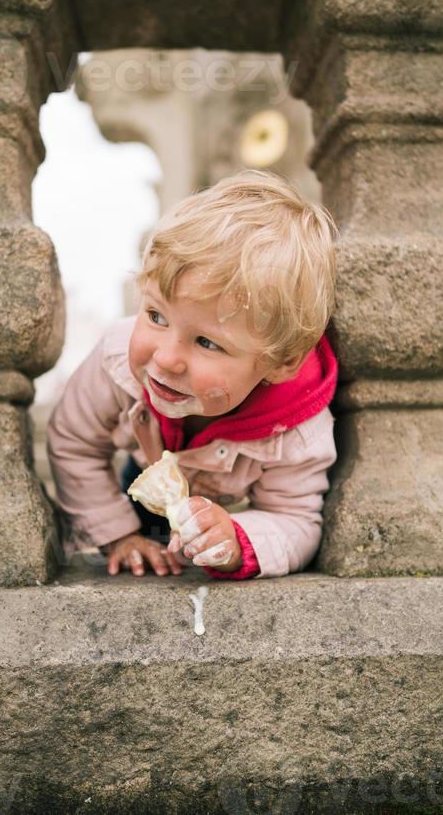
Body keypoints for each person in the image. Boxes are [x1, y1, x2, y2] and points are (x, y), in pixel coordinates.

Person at [47, 170, 338, 580]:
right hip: (141, 473)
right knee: (136, 513)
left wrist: (238, 540)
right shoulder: (116, 358)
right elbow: (74, 441)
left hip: (221, 504)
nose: (165, 359)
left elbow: (294, 518)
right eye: (155, 315)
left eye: (207, 342)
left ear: (280, 363)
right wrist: (117, 535)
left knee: (205, 532)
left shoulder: (298, 430)